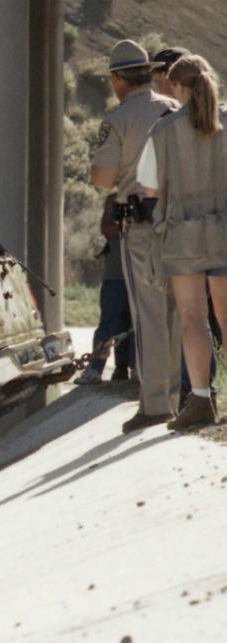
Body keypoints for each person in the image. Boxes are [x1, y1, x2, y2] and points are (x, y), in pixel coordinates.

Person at [90, 39, 181, 432]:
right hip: (179, 223)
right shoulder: (176, 110)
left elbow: (103, 178)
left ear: (117, 80)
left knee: (148, 315)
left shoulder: (119, 117)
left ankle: (155, 402)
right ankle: (183, 396)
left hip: (140, 225)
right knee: (179, 312)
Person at [139, 54, 227, 431]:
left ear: (177, 88)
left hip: (183, 235)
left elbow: (149, 186)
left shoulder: (163, 131)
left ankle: (202, 401)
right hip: (225, 230)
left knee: (193, 319)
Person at [74, 196, 135, 384]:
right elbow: (106, 228)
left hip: (139, 274)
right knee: (109, 322)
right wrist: (128, 229)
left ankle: (133, 368)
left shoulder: (148, 195)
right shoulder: (114, 199)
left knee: (137, 324)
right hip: (115, 274)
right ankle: (95, 369)